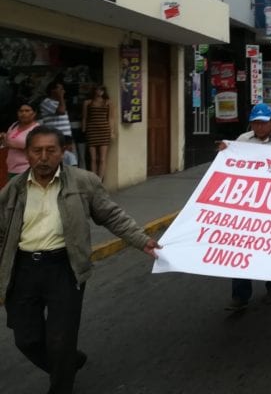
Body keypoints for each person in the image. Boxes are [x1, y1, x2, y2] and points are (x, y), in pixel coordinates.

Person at [0, 126, 161, 394]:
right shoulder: (13, 189)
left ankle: (61, 383)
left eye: (50, 150)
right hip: (23, 268)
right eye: (36, 151)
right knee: (26, 339)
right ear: (27, 154)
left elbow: (110, 215)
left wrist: (141, 239)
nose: (43, 157)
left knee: (60, 339)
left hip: (65, 267)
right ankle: (69, 362)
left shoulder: (83, 182)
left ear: (63, 152)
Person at [217, 103, 271, 310]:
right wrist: (225, 153)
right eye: (255, 123)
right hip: (247, 205)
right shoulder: (242, 141)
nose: (259, 127)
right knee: (241, 247)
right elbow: (229, 165)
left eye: (263, 123)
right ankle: (240, 296)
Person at [82, 86, 113, 181]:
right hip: (92, 131)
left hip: (104, 131)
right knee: (93, 158)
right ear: (94, 90)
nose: (100, 92)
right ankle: (94, 180)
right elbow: (84, 117)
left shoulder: (108, 102)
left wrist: (112, 132)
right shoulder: (87, 102)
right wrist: (84, 129)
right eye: (98, 89)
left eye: (102, 90)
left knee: (102, 159)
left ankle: (100, 180)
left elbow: (111, 118)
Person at [0, 102, 39, 178]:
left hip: (27, 168)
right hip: (11, 168)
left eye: (27, 111)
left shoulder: (37, 129)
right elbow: (5, 143)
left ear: (34, 113)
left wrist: (13, 145)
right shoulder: (14, 125)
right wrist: (3, 137)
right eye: (21, 111)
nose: (23, 113)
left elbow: (36, 148)